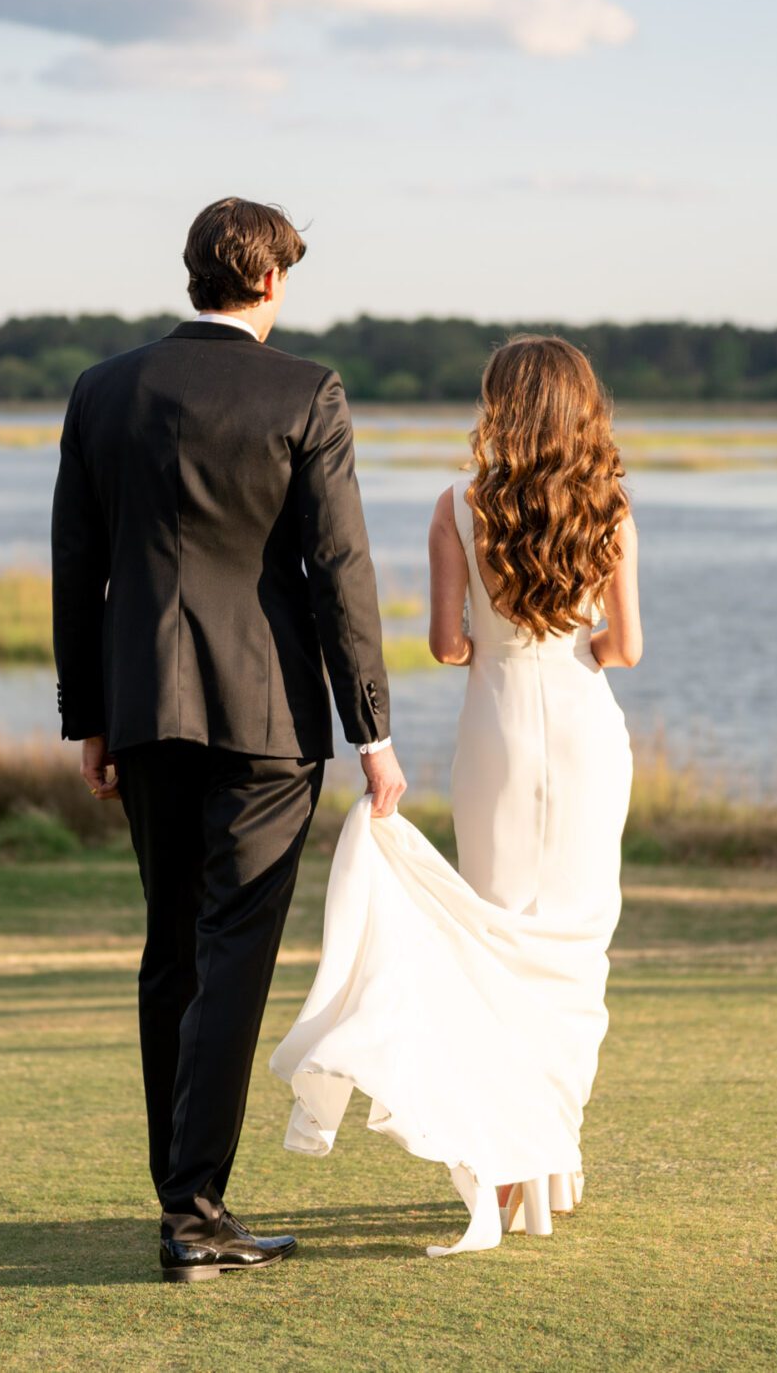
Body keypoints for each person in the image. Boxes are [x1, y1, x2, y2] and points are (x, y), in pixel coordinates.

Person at [50, 196, 408, 1284]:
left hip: (145, 712)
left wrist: (88, 716)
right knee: (231, 957)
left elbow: (76, 564)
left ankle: (184, 1199)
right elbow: (339, 568)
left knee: (171, 950)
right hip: (268, 720)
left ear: (195, 272)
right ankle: (195, 1213)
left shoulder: (103, 388)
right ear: (271, 280)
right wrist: (373, 730)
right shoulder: (307, 390)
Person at [270, 333, 642, 1256]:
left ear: (499, 405)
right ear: (583, 408)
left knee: (497, 943)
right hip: (587, 733)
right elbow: (625, 647)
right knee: (575, 949)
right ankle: (551, 1160)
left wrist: (499, 645)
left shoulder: (459, 505)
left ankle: (518, 1165)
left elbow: (447, 645)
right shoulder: (610, 503)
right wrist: (571, 643)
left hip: (497, 735)